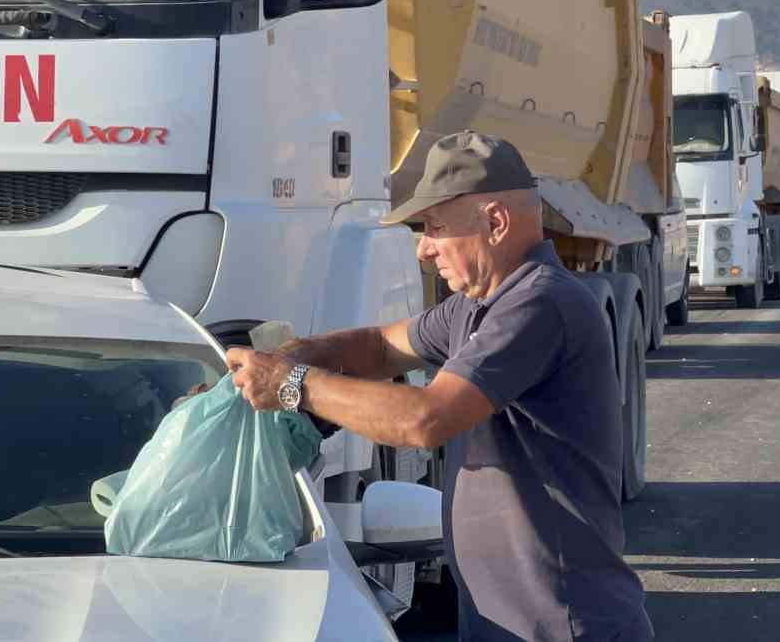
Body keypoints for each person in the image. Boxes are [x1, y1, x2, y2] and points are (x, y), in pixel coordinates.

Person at [225, 131, 653, 642]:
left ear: (495, 222)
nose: (424, 250)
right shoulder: (478, 304)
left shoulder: (537, 305)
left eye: (435, 228)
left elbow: (425, 420)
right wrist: (302, 353)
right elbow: (382, 347)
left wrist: (292, 384)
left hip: (562, 624)